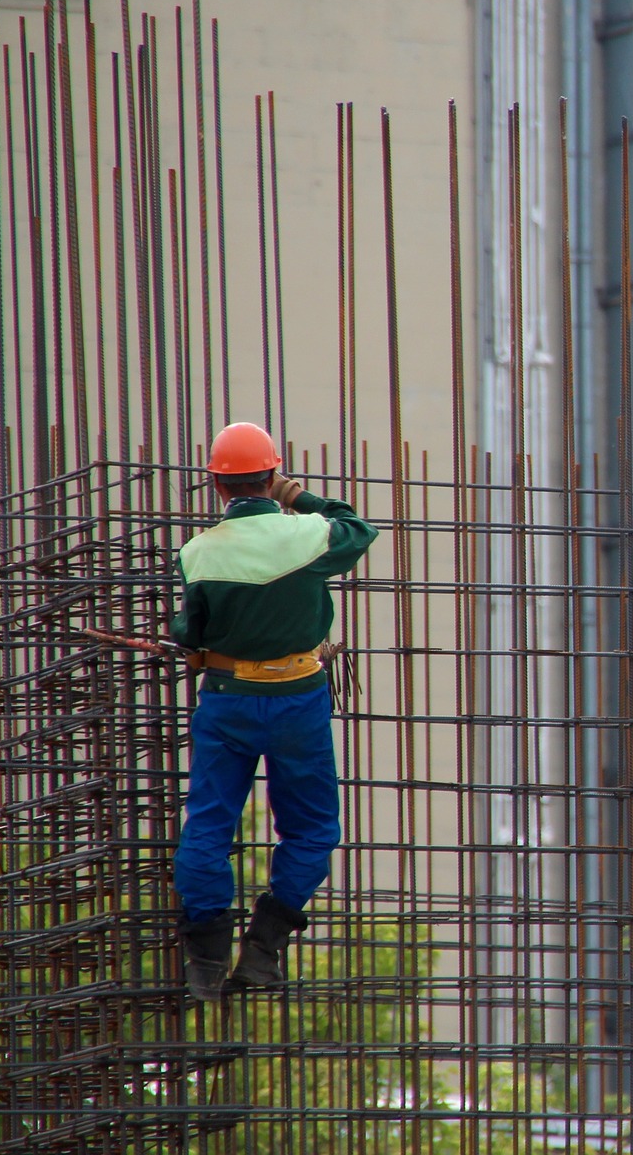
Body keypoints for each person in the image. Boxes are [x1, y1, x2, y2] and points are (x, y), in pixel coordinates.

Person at [171, 422, 378, 1001]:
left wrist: (195, 644)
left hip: (228, 698)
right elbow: (359, 528)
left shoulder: (198, 553)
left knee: (208, 825)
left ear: (215, 483)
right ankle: (264, 946)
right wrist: (296, 495)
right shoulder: (310, 535)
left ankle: (206, 959)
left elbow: (191, 631)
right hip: (297, 698)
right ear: (273, 472)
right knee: (313, 829)